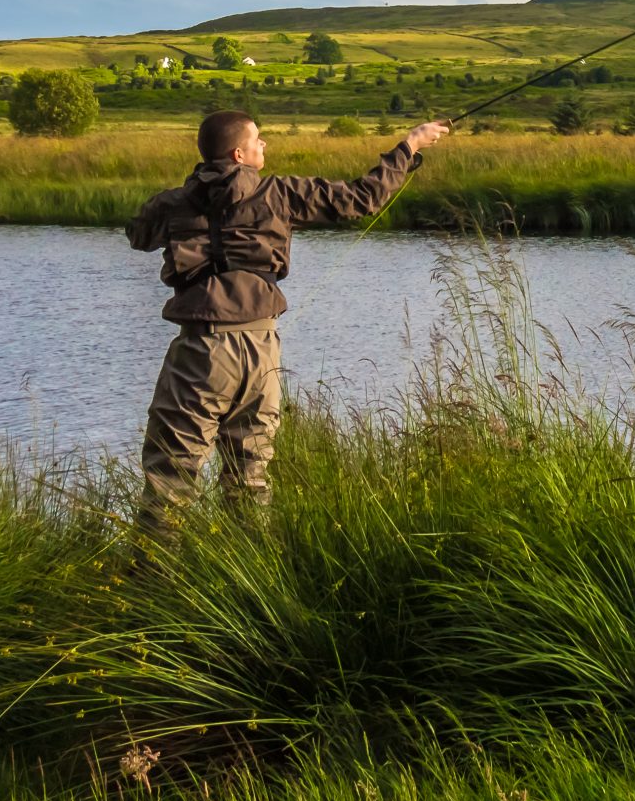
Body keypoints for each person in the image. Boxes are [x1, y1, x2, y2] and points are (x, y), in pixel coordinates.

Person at [127, 108, 451, 515]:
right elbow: (362, 198)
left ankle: (153, 575)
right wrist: (410, 145)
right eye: (256, 139)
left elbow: (138, 233)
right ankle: (251, 572)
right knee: (250, 479)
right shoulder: (279, 194)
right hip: (263, 354)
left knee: (171, 478)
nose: (264, 144)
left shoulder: (174, 203)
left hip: (202, 352)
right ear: (238, 155)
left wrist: (188, 200)